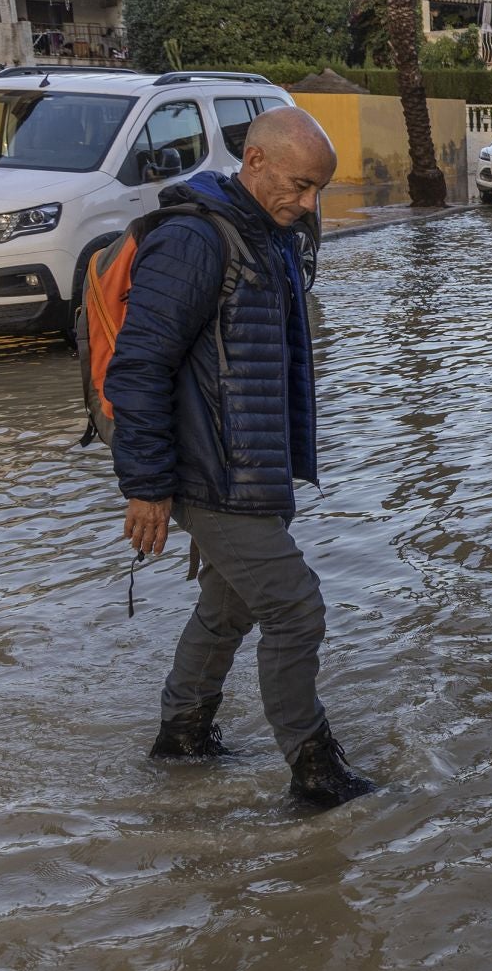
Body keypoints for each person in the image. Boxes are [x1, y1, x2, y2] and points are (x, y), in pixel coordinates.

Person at [105, 106, 374, 808]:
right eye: (300, 185)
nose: (309, 203)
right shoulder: (196, 239)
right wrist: (146, 486)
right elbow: (137, 366)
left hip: (250, 469)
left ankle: (182, 738)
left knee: (229, 610)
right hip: (209, 472)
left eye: (318, 190)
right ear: (254, 162)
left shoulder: (267, 233)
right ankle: (314, 770)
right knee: (296, 609)